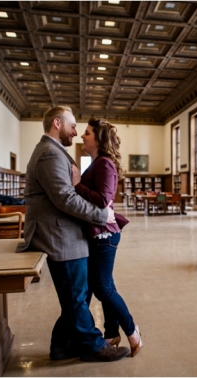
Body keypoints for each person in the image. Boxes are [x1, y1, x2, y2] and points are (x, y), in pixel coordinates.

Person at [16, 105, 130, 362]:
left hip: (66, 234)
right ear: (57, 123)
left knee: (76, 295)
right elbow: (65, 198)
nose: (76, 132)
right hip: (60, 237)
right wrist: (103, 215)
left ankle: (61, 345)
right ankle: (93, 345)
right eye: (72, 126)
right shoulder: (49, 154)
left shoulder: (55, 152)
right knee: (78, 296)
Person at [72, 117, 143, 357]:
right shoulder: (97, 163)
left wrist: (76, 184)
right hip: (98, 234)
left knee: (102, 288)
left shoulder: (104, 164)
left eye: (88, 133)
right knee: (102, 285)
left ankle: (132, 331)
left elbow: (103, 200)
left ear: (99, 140)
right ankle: (111, 332)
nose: (83, 136)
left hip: (105, 236)